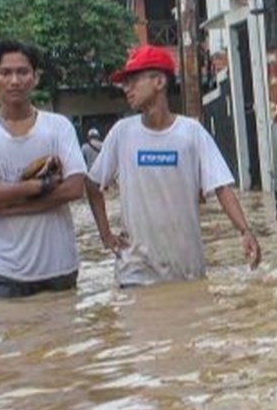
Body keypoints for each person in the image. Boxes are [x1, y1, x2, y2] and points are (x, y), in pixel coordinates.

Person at [85, 45, 261, 287]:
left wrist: (245, 231)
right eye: (125, 82)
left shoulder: (192, 133)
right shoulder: (122, 133)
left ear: (159, 82)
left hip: (186, 270)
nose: (126, 88)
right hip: (135, 273)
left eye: (133, 80)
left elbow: (222, 188)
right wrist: (105, 235)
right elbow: (92, 184)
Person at [0, 41, 87, 299]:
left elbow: (75, 188)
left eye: (23, 72)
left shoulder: (59, 127)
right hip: (0, 271)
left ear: (35, 78)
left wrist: (5, 202)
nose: (15, 81)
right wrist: (35, 187)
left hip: (58, 267)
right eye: (5, 73)